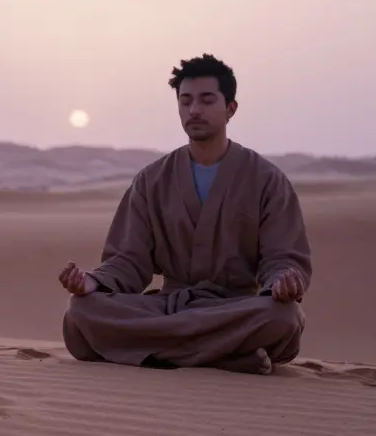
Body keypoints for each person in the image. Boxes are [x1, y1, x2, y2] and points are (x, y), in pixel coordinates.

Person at [58, 54, 310, 375]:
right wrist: (93, 281)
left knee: (285, 319)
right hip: (170, 305)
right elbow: (129, 260)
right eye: (185, 101)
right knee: (81, 312)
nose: (194, 110)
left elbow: (283, 258)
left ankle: (160, 354)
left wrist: (282, 284)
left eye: (206, 100)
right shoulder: (152, 179)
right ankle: (224, 357)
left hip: (231, 308)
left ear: (230, 108)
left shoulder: (266, 179)